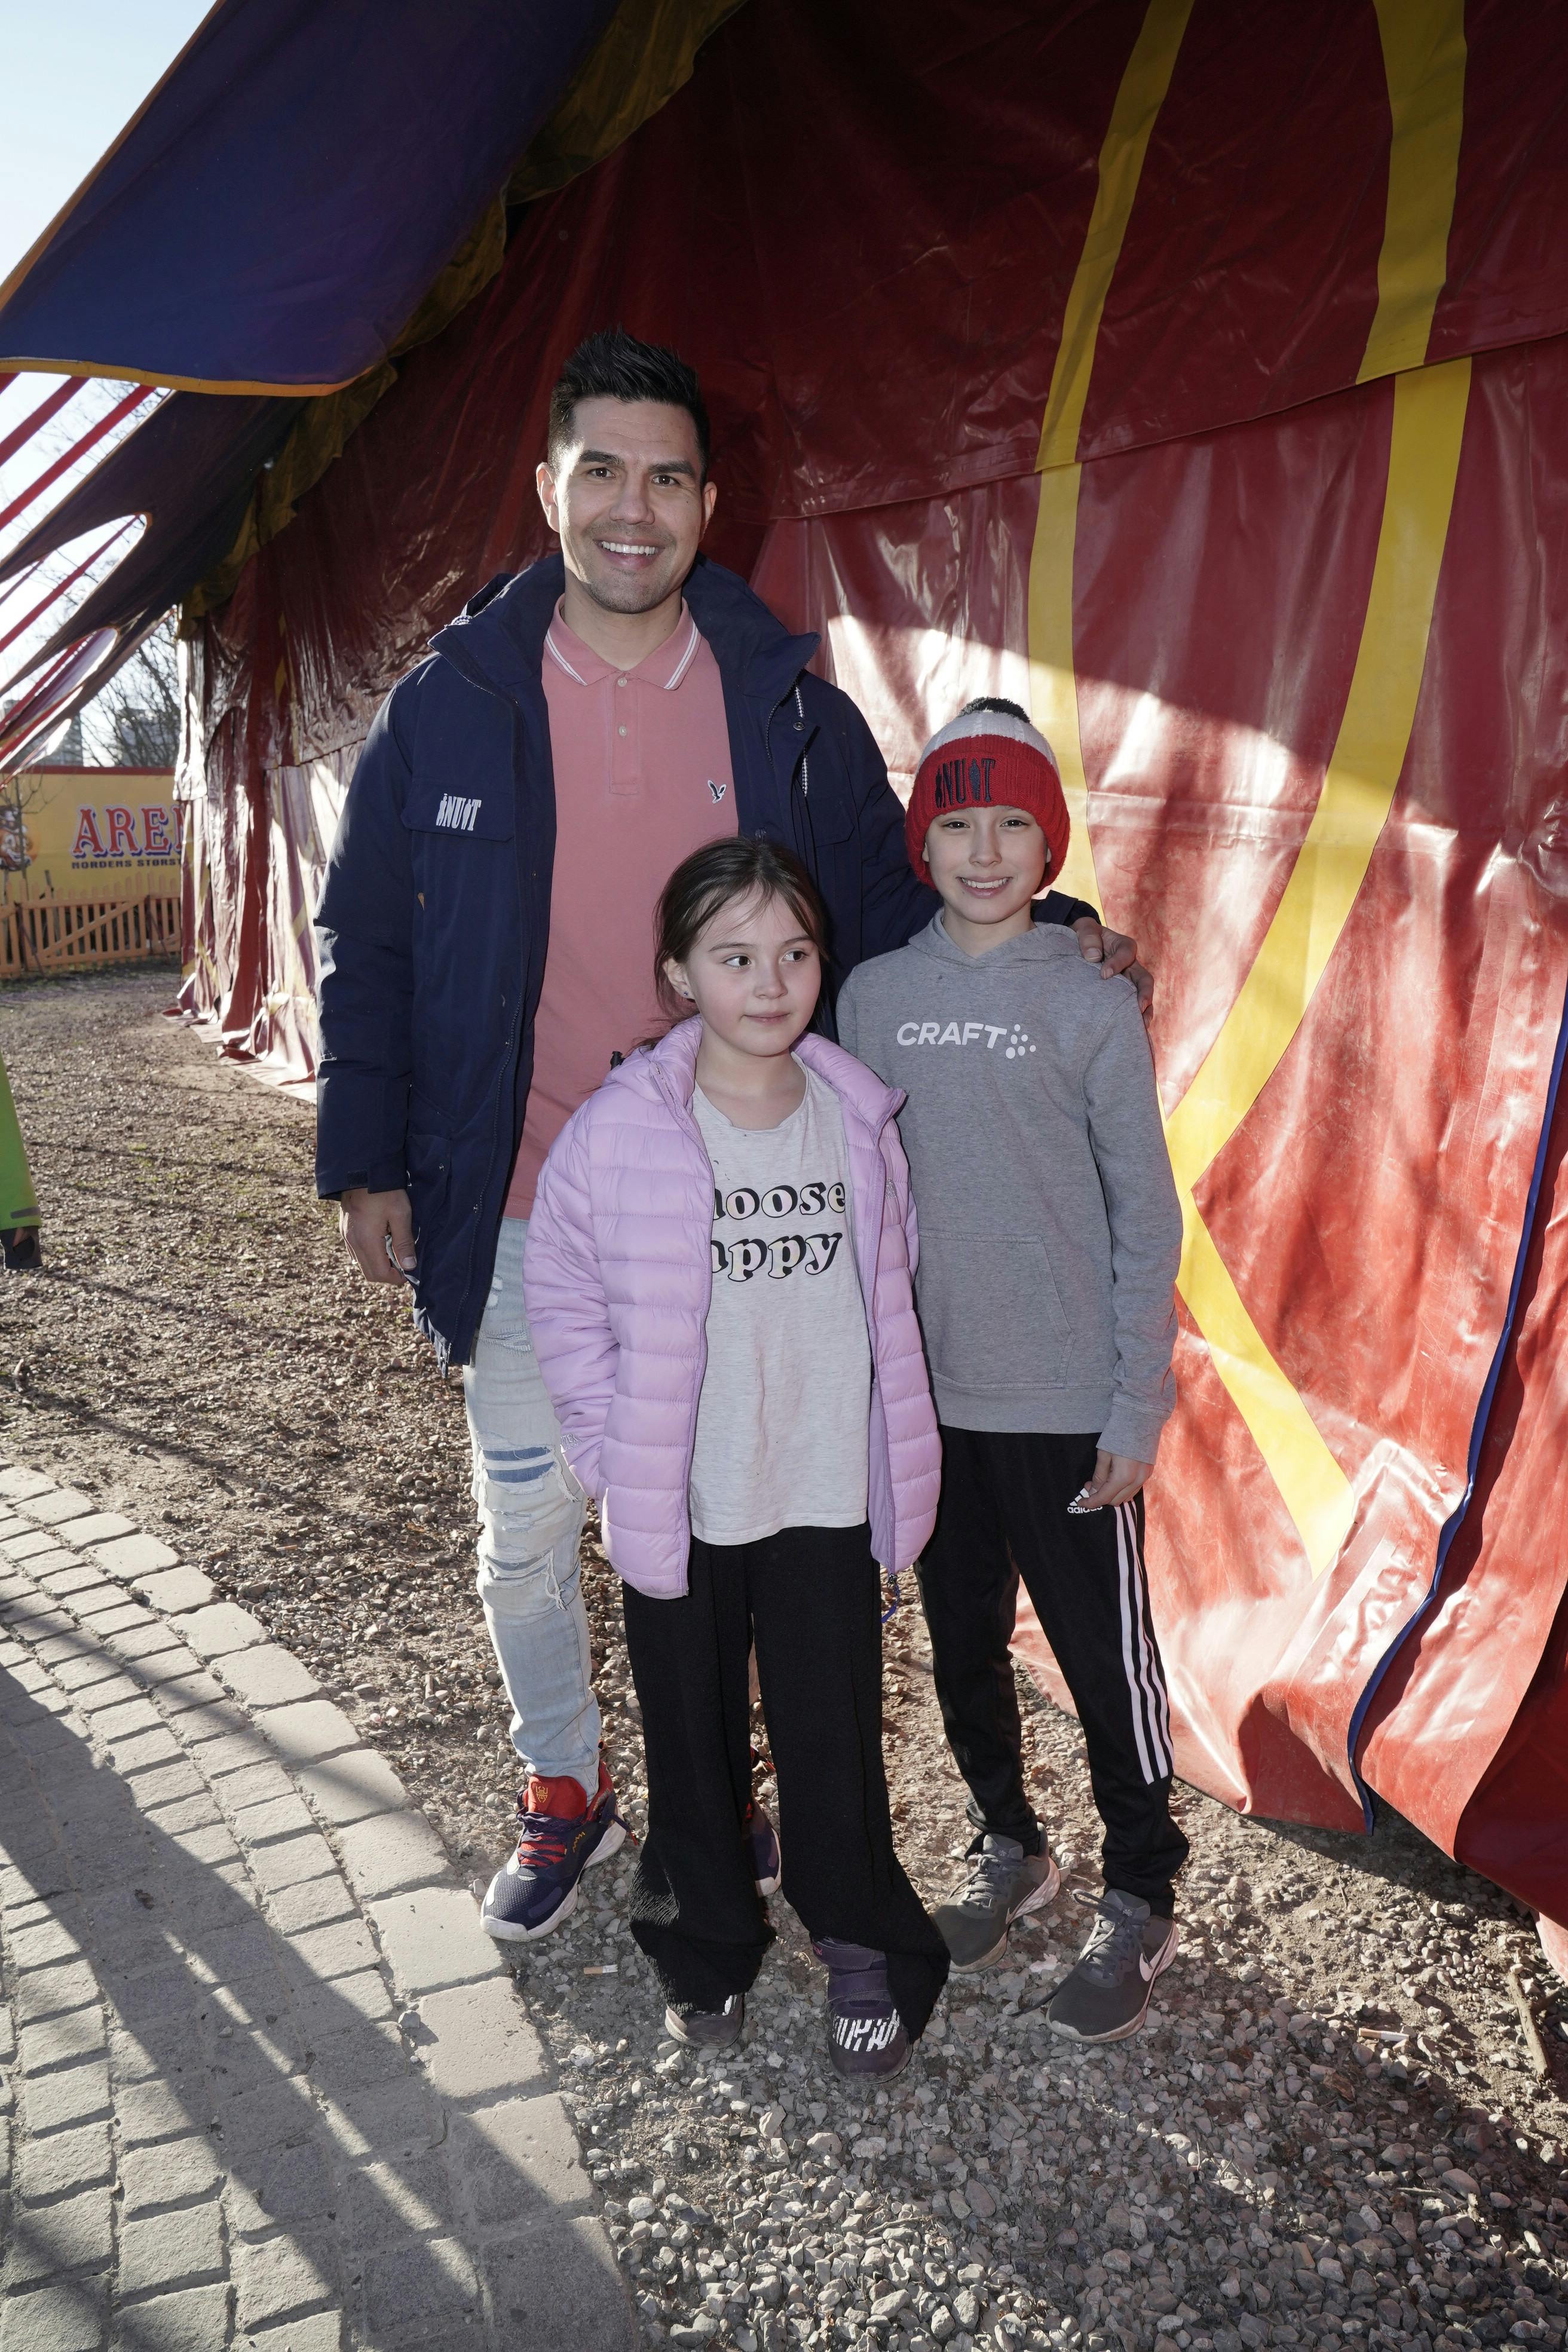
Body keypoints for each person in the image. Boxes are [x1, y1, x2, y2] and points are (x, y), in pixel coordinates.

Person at [314, 326, 1149, 1947]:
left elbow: (905, 908)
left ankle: (725, 1781)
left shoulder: (784, 705)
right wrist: (365, 1156)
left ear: (711, 498)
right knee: (537, 1521)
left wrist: (1059, 924)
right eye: (604, 470)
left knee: (737, 1510)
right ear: (546, 484)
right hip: (525, 1199)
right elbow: (372, 943)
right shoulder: (453, 707)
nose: (637, 507)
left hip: (749, 1209)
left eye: (671, 475)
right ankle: (568, 1780)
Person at [521, 836, 949, 2073]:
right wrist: (608, 1452)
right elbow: (561, 1297)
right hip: (684, 1492)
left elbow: (894, 1273)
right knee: (689, 1736)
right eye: (735, 956)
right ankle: (706, 1944)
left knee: (832, 1732)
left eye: (795, 953)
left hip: (818, 1484)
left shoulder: (858, 1121)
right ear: (679, 973)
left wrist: (877, 1440)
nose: (769, 983)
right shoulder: (619, 1135)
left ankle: (861, 1936)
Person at [836, 697, 1188, 2044]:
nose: (984, 849)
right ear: (923, 838)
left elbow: (1144, 1213)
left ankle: (1143, 1890)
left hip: (1059, 1403)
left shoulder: (1089, 994)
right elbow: (863, 1201)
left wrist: (1131, 1402)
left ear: (1050, 844)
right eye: (958, 821)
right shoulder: (875, 995)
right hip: (934, 1400)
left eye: (1015, 823)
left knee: (1106, 1663)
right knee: (960, 1644)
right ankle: (1009, 1846)